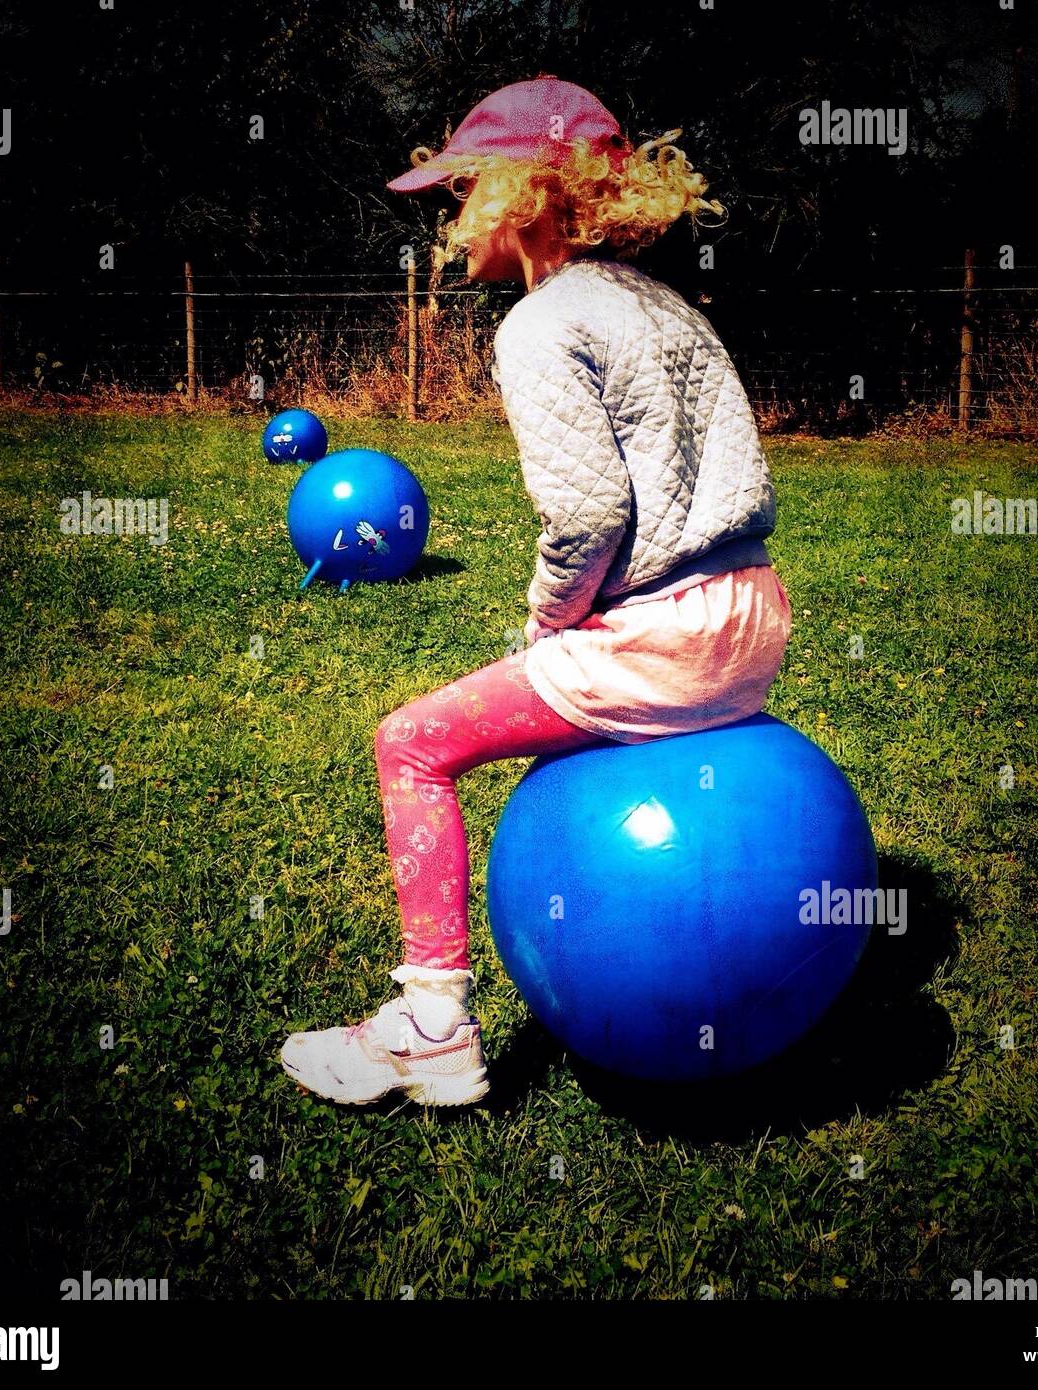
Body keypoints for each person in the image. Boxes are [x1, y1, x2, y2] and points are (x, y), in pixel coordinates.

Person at [281, 76, 792, 1107]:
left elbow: (588, 516)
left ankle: (429, 1029)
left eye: (461, 190)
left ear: (519, 195)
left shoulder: (541, 321)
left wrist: (543, 627)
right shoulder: (662, 304)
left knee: (410, 742)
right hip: (750, 619)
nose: (448, 218)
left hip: (662, 641)